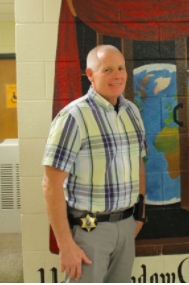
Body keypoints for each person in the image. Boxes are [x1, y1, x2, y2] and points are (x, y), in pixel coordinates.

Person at [42, 45, 148, 283]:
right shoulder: (73, 117)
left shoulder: (132, 111)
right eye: (108, 69)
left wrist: (139, 216)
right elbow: (51, 184)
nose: (117, 75)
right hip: (89, 230)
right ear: (90, 74)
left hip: (126, 226)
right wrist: (65, 244)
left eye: (121, 68)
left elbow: (139, 162)